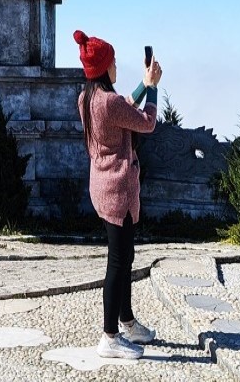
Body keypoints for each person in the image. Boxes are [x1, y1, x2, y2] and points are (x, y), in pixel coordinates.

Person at [74, 30, 162, 360]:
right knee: (118, 262)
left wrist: (142, 83)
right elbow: (146, 121)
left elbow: (123, 105)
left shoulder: (87, 98)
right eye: (113, 62)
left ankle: (126, 321)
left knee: (124, 258)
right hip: (118, 189)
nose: (116, 68)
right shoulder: (107, 103)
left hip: (102, 184)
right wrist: (153, 87)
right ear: (105, 67)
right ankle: (110, 336)